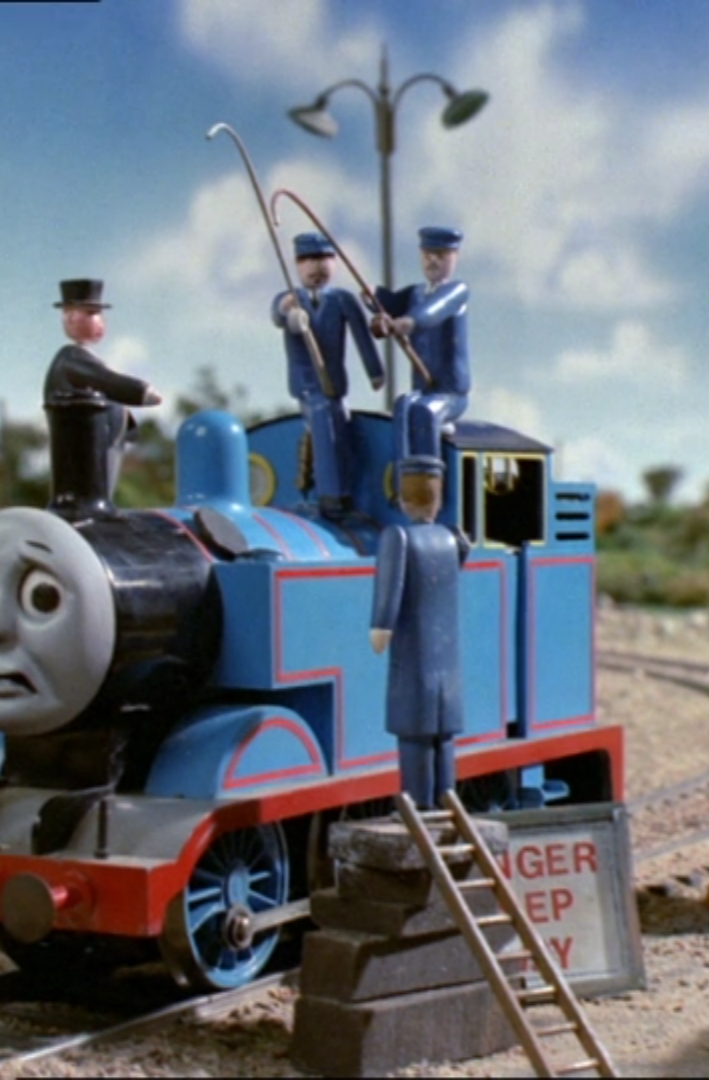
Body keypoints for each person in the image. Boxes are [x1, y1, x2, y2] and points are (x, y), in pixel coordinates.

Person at [369, 476, 466, 811]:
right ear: (437, 501)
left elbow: (389, 592)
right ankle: (446, 797)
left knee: (415, 738)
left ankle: (421, 804)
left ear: (403, 501)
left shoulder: (398, 537)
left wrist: (380, 628)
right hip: (447, 663)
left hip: (413, 658)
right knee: (443, 738)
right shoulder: (452, 538)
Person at [271, 232, 384, 519]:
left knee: (340, 419)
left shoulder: (343, 300)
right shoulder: (292, 299)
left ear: (334, 262)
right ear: (297, 265)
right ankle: (331, 495)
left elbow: (362, 338)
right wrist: (290, 316)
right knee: (323, 415)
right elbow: (277, 313)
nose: (316, 267)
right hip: (306, 386)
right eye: (307, 260)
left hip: (334, 384)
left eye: (323, 259)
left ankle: (347, 485)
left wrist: (375, 372)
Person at [373, 226, 470, 520]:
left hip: (451, 393)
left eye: (441, 255)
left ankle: (429, 497)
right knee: (404, 405)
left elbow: (433, 312)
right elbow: (389, 302)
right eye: (428, 254)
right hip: (425, 389)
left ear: (454, 256)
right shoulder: (415, 293)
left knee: (425, 413)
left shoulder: (457, 292)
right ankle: (402, 485)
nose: (433, 261)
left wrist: (407, 323)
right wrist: (373, 302)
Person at [43, 279, 162, 510]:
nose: (100, 321)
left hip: (106, 442)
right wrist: (142, 391)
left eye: (99, 314)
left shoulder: (84, 357)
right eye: (91, 313)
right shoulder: (71, 358)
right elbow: (107, 380)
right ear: (70, 318)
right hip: (87, 448)